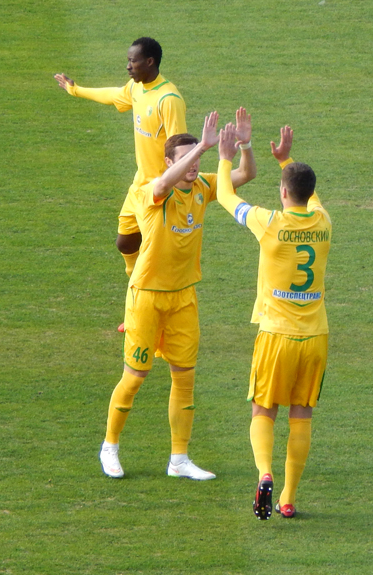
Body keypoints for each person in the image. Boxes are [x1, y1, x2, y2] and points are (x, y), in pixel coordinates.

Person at [98, 109, 256, 480]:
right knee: (135, 376)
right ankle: (110, 447)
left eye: (197, 159)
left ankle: (179, 460)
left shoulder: (202, 186)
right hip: (147, 297)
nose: (194, 165)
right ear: (169, 162)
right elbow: (160, 187)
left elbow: (245, 175)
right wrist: (202, 146)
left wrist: (246, 145)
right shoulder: (148, 191)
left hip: (184, 297)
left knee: (184, 378)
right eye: (186, 159)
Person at [215, 123, 331, 519]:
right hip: (315, 338)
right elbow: (311, 197)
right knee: (302, 414)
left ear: (282, 193)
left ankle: (264, 472)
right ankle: (288, 497)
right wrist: (286, 159)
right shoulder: (323, 222)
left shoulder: (269, 223)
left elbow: (225, 194)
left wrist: (227, 156)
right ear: (309, 193)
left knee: (263, 410)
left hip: (276, 336)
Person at [54, 37, 187, 297]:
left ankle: (147, 297)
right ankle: (139, 288)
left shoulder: (168, 99)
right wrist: (75, 89)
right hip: (140, 184)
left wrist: (178, 189)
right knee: (125, 242)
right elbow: (114, 95)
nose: (127, 66)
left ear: (149, 62)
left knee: (155, 253)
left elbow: (180, 148)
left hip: (160, 190)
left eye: (132, 61)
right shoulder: (136, 88)